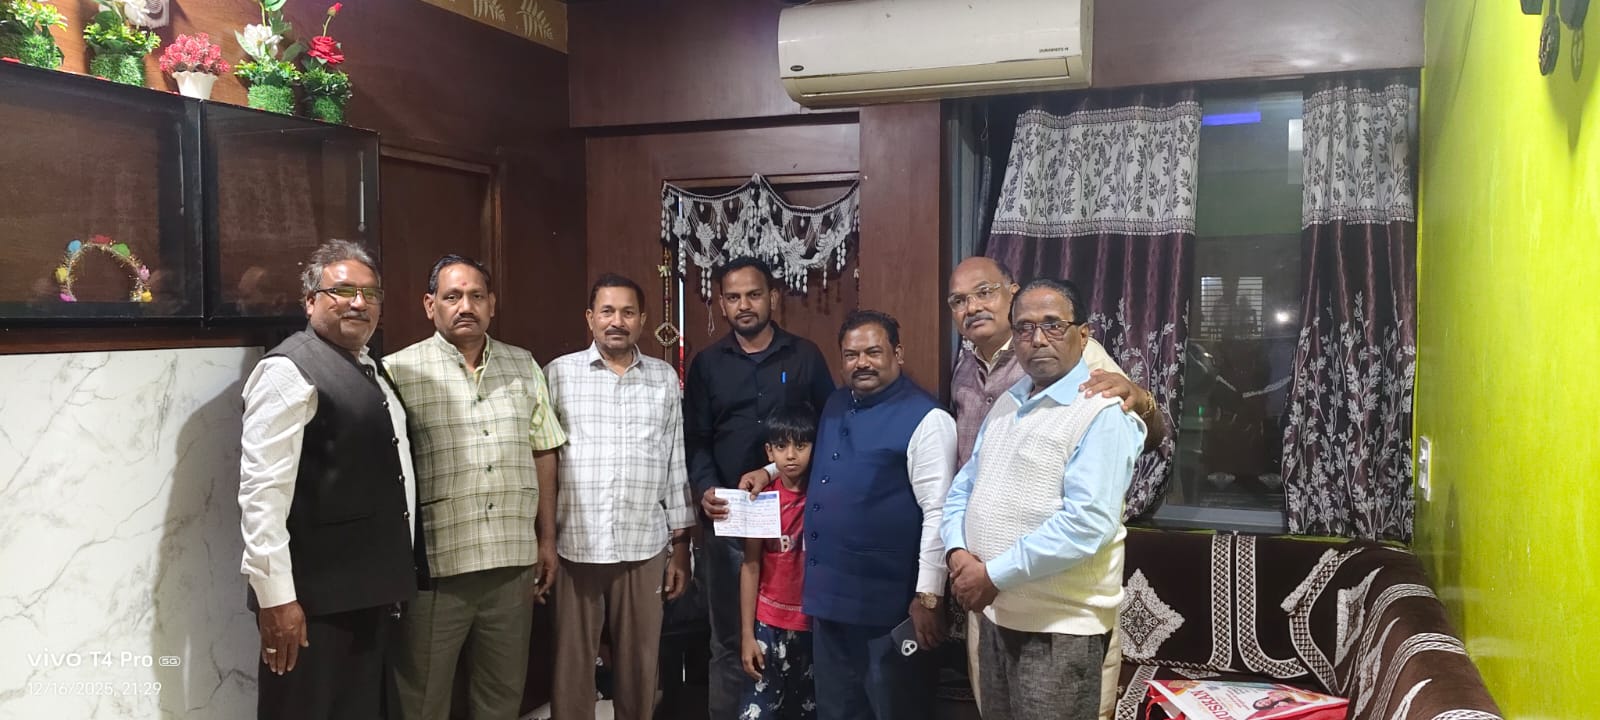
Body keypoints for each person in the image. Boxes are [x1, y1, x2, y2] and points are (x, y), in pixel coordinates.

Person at [946, 256, 1162, 716]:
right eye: (1025, 328)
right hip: (994, 611)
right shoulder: (1003, 397)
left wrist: (992, 575)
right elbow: (965, 484)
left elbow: (1087, 523)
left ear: (1083, 335)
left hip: (1057, 624)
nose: (1038, 338)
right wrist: (956, 551)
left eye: (1053, 326)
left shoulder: (1100, 403)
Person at [720, 310, 956, 720]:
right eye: (851, 355)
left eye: (873, 352)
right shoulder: (834, 404)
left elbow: (939, 512)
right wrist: (769, 471)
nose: (861, 363)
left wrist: (929, 597)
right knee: (835, 711)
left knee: (893, 709)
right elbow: (812, 460)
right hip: (827, 603)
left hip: (887, 607)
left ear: (898, 353)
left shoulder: (928, 419)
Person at [238, 239, 426, 719]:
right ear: (310, 301)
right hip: (313, 607)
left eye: (370, 293)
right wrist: (277, 600)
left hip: (366, 596)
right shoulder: (285, 372)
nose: (359, 302)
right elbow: (262, 497)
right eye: (342, 290)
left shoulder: (369, 367)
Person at [384, 255, 568, 720]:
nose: (465, 306)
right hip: (435, 570)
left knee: (501, 697)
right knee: (421, 700)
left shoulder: (523, 364)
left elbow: (543, 450)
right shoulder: (398, 371)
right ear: (430, 305)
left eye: (476, 296)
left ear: (492, 305)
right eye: (452, 296)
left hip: (511, 565)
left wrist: (546, 538)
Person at [684, 256, 835, 720]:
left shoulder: (804, 356)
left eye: (753, 294)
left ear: (772, 297)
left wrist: (774, 472)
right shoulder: (707, 364)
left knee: (801, 634)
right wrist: (706, 488)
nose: (744, 305)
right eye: (733, 297)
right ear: (722, 305)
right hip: (730, 519)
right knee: (730, 638)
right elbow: (697, 440)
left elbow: (828, 430)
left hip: (797, 523)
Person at [544, 273, 696, 720]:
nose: (617, 321)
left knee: (641, 668)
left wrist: (681, 547)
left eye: (628, 312)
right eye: (607, 311)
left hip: (643, 545)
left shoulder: (663, 379)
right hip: (576, 545)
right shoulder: (558, 374)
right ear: (590, 318)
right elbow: (543, 459)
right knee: (571, 669)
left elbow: (675, 461)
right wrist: (543, 539)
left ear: (642, 320)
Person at [737, 405, 820, 720]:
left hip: (813, 624)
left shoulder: (822, 495)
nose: (791, 455)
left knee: (808, 710)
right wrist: (747, 634)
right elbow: (750, 565)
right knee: (757, 711)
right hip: (768, 625)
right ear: (769, 451)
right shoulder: (761, 499)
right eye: (782, 446)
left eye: (801, 445)